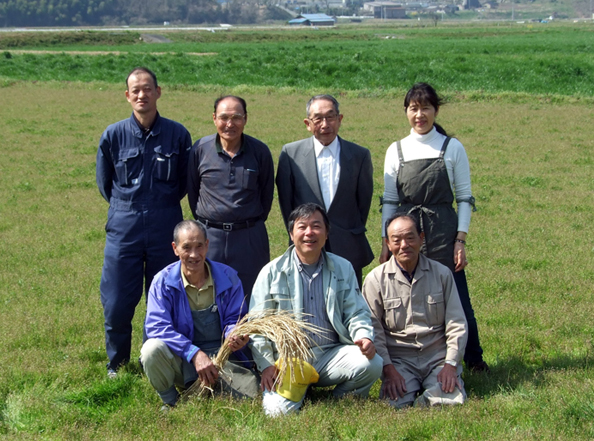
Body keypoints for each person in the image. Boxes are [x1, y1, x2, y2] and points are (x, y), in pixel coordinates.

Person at [379, 82, 488, 373]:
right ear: (406, 112)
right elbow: (389, 200)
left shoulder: (452, 147)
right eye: (413, 108)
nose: (420, 114)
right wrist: (384, 243)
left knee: (457, 298)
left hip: (442, 231)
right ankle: (408, 356)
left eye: (425, 107)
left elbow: (464, 197)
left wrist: (460, 240)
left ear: (435, 110)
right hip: (405, 235)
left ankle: (473, 357)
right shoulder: (396, 150)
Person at [96, 67, 192, 377]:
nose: (142, 94)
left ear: (158, 92)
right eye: (135, 90)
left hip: (166, 224)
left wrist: (159, 205)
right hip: (124, 227)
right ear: (127, 96)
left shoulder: (178, 135)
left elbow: (184, 182)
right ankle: (117, 363)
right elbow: (104, 183)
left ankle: (153, 359)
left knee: (163, 297)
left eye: (147, 88)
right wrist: (129, 207)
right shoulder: (113, 135)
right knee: (116, 301)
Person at [249, 203, 383, 416]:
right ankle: (299, 390)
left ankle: (341, 400)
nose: (309, 233)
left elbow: (356, 312)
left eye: (316, 226)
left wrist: (364, 336)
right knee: (277, 413)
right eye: (302, 227)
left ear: (327, 233)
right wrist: (266, 365)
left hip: (331, 353)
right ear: (292, 234)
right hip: (290, 360)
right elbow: (257, 325)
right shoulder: (271, 272)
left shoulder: (343, 268)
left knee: (373, 363)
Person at [141, 220, 257, 409]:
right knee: (151, 350)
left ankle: (209, 385)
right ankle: (170, 401)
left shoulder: (228, 277)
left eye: (199, 246)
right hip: (182, 357)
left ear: (207, 245)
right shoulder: (162, 282)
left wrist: (234, 335)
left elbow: (235, 318)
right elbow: (157, 327)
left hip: (223, 356)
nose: (194, 255)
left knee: (252, 397)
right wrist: (193, 353)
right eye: (186, 247)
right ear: (175, 248)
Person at [363, 214, 468, 408]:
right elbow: (374, 330)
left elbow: (457, 322)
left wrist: (450, 364)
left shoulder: (442, 274)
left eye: (410, 238)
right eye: (396, 240)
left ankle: (432, 394)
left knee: (452, 401)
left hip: (437, 356)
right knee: (392, 405)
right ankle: (424, 397)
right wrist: (388, 369)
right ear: (387, 243)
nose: (404, 245)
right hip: (399, 360)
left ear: (422, 238)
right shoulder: (375, 280)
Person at [276, 94, 374, 288]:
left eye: (330, 117)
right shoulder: (291, 154)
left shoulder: (359, 155)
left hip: (348, 245)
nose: (325, 124)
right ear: (307, 123)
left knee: (348, 305)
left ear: (340, 119)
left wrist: (346, 228)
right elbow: (287, 203)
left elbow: (363, 202)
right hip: (306, 244)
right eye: (318, 118)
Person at [187, 95, 274, 300]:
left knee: (251, 298)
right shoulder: (200, 150)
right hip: (210, 237)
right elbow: (193, 193)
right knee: (207, 297)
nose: (229, 124)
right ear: (214, 118)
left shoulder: (260, 152)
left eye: (236, 117)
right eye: (224, 117)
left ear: (245, 119)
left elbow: (266, 195)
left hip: (249, 238)